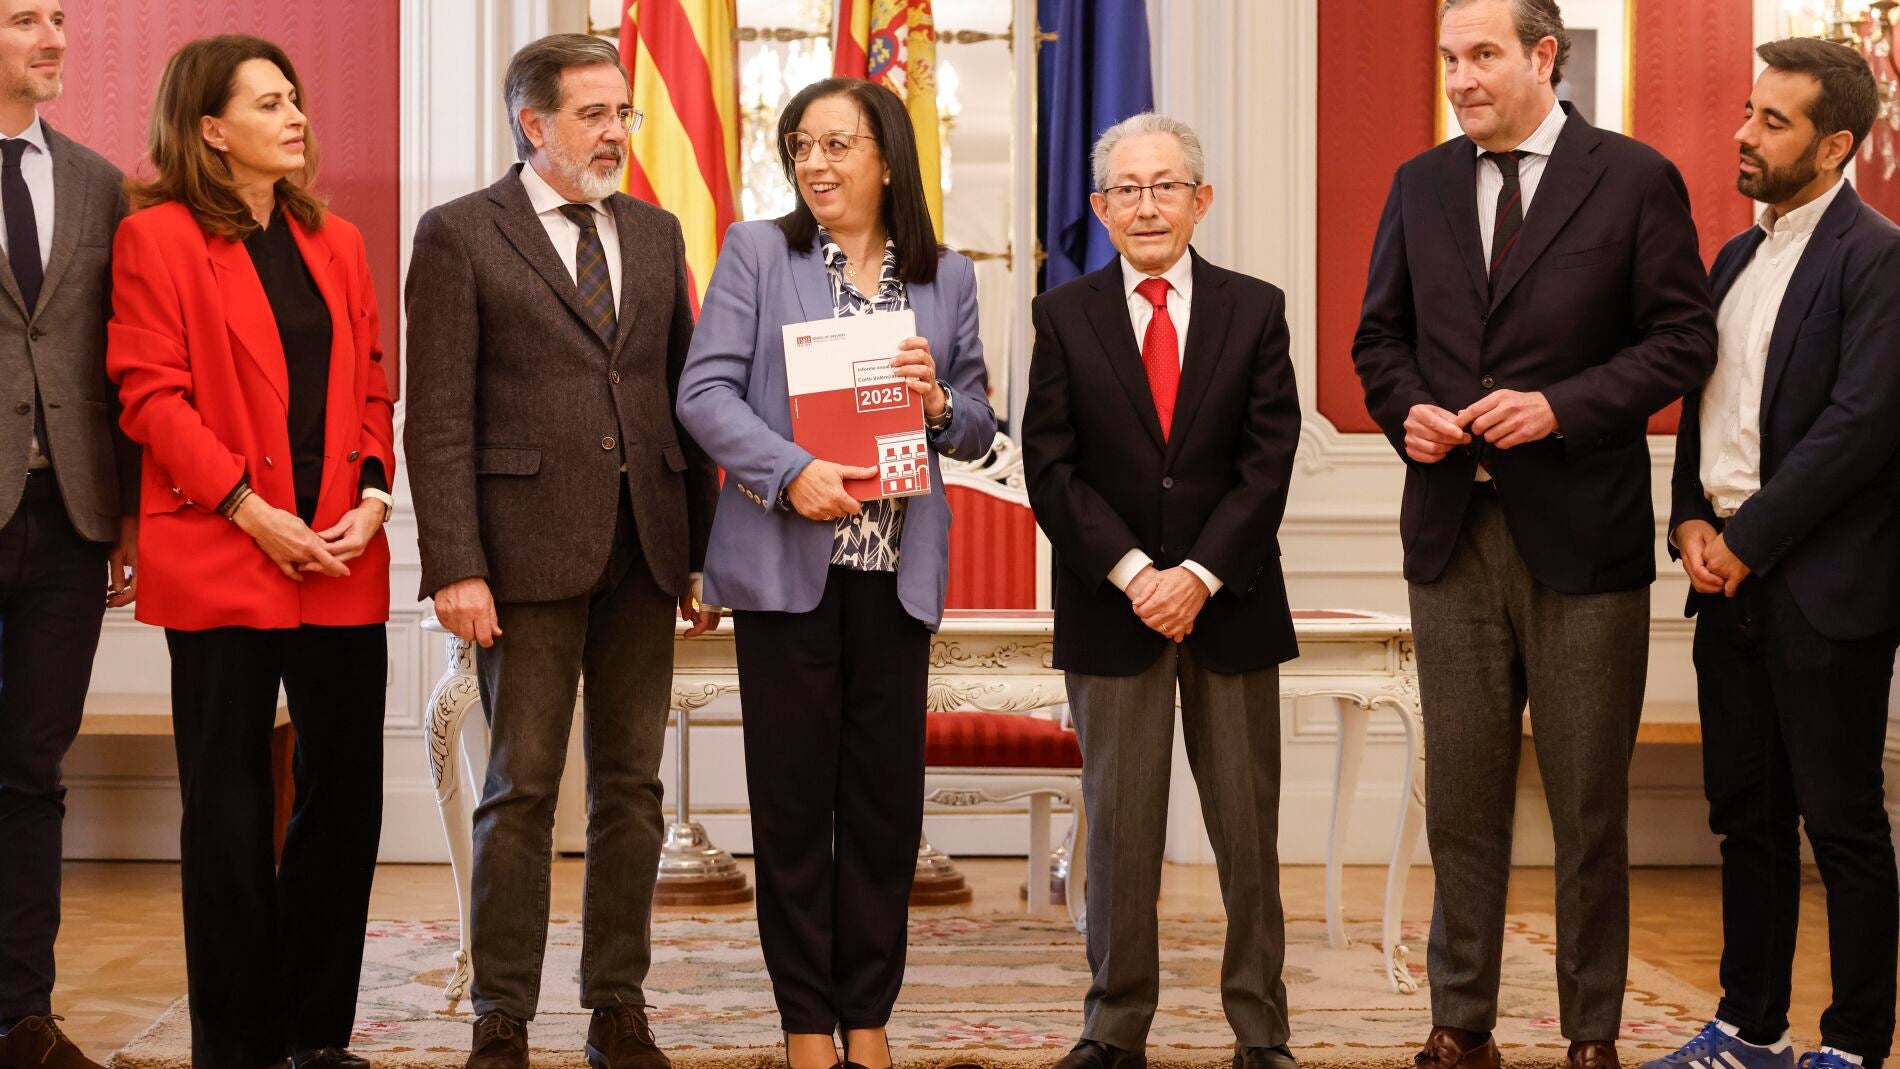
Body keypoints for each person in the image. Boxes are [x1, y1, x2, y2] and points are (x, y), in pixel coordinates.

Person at [1350, 1, 1718, 1067]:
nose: (1459, 78)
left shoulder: (1633, 178)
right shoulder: (1419, 183)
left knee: (1587, 807)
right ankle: (1459, 1022)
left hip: (1584, 541)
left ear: (1543, 56)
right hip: (1451, 533)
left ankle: (1591, 1033)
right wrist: (1407, 409)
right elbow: (1379, 340)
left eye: (1482, 56)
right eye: (1449, 59)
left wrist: (1561, 406)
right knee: (1461, 801)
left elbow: (1681, 339)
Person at [404, 32, 719, 1069]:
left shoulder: (656, 230)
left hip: (647, 550)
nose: (616, 132)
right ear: (533, 123)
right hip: (521, 555)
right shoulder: (459, 233)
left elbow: (685, 396)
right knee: (522, 788)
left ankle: (616, 1006)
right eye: (594, 114)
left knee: (633, 790)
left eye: (623, 112)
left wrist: (702, 551)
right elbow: (436, 416)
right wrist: (455, 563)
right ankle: (502, 1012)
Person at [676, 76, 994, 1069]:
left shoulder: (947, 277)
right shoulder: (756, 252)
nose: (814, 162)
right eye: (800, 145)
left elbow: (979, 423)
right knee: (792, 806)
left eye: (836, 144)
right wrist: (790, 472)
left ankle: (868, 1017)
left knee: (885, 812)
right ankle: (807, 1023)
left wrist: (940, 404)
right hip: (787, 575)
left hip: (896, 576)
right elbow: (704, 392)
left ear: (887, 159)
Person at [104, 33, 394, 1069]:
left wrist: (374, 493)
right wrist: (247, 507)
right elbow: (151, 397)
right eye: (269, 103)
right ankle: (236, 1045)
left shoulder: (337, 240)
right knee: (227, 807)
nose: (297, 116)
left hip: (340, 552)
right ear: (211, 129)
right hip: (224, 549)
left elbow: (372, 382)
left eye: (295, 98)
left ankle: (317, 1034)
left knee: (344, 797)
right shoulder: (155, 238)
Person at [1021, 112, 1302, 1069]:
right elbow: (1051, 469)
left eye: (1165, 186)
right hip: (1114, 608)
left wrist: (1199, 575)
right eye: (1127, 190)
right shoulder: (1062, 316)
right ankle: (1113, 1026)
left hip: (1232, 604)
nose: (1147, 206)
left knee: (1247, 834)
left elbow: (1267, 463)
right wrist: (1140, 574)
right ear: (1100, 208)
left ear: (1200, 199)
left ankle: (1261, 1030)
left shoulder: (1254, 309)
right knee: (1121, 833)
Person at [1645, 38, 1900, 1069]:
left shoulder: (1878, 258)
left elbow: (1859, 426)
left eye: (1772, 121)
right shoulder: (1732, 259)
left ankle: (1853, 1045)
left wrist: (1745, 541)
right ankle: (1750, 1028)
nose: (1742, 133)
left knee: (1842, 826)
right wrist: (1688, 521)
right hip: (1726, 583)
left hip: (1827, 589)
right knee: (1745, 819)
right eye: (1749, 112)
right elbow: (1705, 411)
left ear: (1834, 145)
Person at [0, 2, 137, 1067]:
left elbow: (113, 350)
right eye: (23, 20)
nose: (53, 37)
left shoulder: (97, 181)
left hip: (70, 518)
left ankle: (23, 1016)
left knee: (33, 768)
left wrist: (126, 510)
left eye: (58, 17)